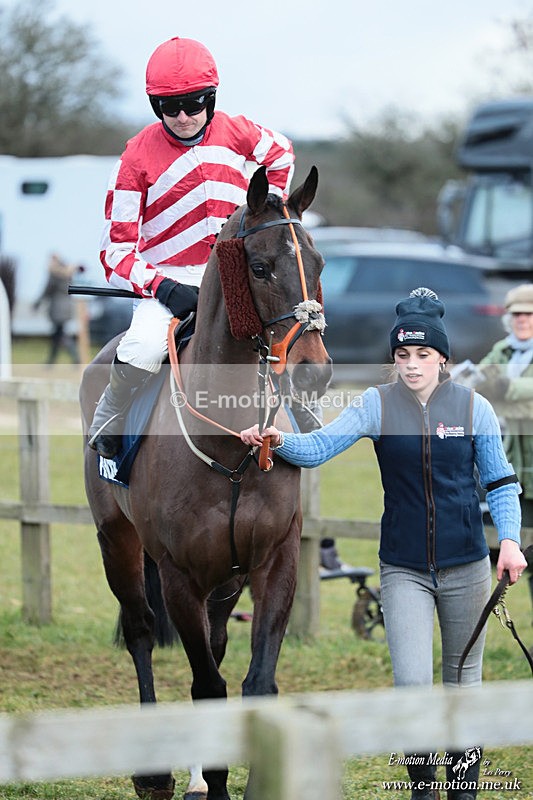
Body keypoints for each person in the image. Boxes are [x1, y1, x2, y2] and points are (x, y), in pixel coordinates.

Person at [241, 287, 528, 800]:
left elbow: (501, 481)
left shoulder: (473, 407)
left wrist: (509, 540)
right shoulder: (374, 404)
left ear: (443, 358)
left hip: (468, 567)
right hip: (403, 570)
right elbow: (319, 447)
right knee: (412, 687)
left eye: (423, 355)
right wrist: (277, 439)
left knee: (464, 685)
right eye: (403, 355)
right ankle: (422, 791)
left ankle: (463, 792)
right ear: (393, 359)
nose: (413, 365)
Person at [88, 36, 295, 459]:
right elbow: (115, 253)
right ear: (155, 106)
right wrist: (164, 288)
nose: (183, 116)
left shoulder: (238, 132)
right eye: (169, 107)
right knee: (142, 348)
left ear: (211, 98)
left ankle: (302, 420)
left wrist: (264, 222)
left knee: (286, 329)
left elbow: (282, 155)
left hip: (231, 269)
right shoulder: (133, 160)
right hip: (166, 282)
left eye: (194, 103)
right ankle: (111, 412)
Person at [475, 283, 533, 611]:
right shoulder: (503, 351)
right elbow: (479, 381)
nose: (521, 321)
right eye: (516, 315)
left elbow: (501, 389)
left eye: (528, 315)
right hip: (515, 472)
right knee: (509, 548)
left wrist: (505, 389)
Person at [33, 253, 81, 365]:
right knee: (58, 334)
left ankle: (73, 359)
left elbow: (47, 290)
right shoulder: (68, 272)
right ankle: (52, 361)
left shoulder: (54, 274)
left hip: (57, 307)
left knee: (60, 334)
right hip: (67, 306)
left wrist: (37, 303)